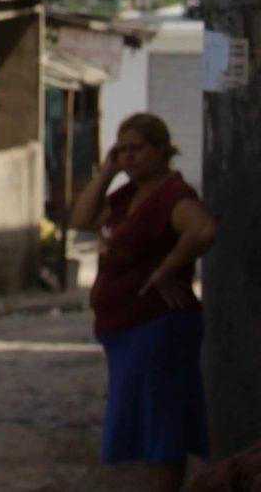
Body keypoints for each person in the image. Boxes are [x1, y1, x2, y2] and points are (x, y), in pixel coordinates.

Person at [71, 112, 217, 492]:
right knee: (147, 425)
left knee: (163, 423)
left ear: (162, 149)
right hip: (125, 330)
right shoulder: (126, 197)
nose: (129, 158)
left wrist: (166, 270)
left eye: (137, 149)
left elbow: (202, 229)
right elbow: (83, 218)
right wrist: (106, 173)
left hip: (158, 326)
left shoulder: (172, 194)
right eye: (122, 151)